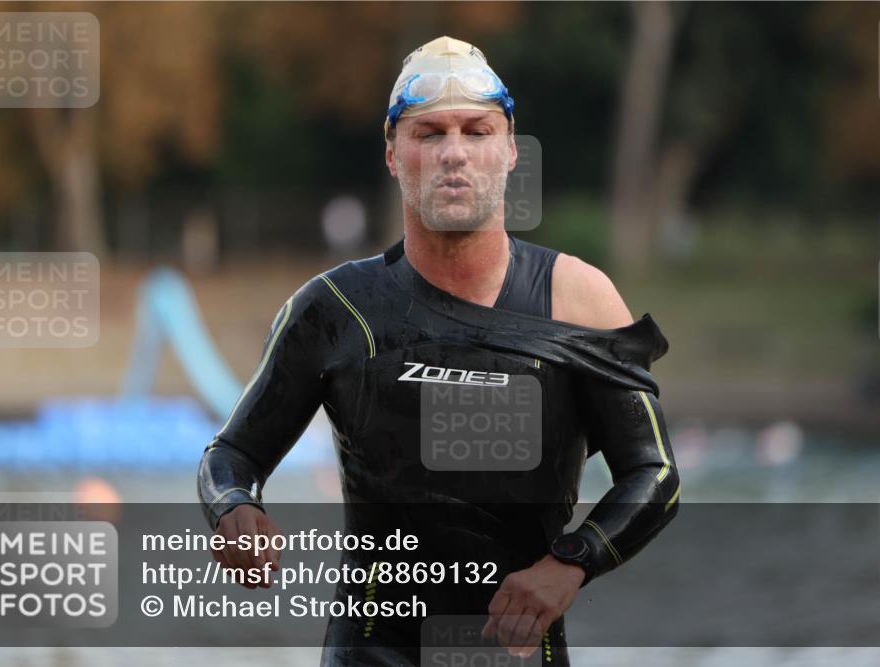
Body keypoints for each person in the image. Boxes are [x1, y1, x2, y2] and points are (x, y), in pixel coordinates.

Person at [198, 35, 681, 667]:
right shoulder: (336, 309)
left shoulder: (577, 300)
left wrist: (571, 563)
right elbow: (231, 454)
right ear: (394, 154)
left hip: (512, 651)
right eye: (429, 134)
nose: (454, 153)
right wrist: (234, 510)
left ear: (510, 152)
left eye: (477, 132)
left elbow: (656, 475)